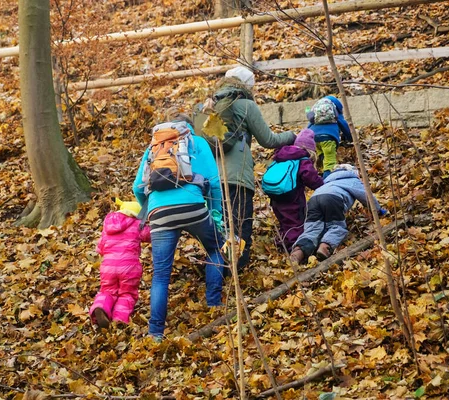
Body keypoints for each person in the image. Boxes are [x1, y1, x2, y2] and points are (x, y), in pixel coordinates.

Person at [133, 116, 225, 341]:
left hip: (159, 212)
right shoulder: (196, 142)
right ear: (189, 127)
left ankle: (155, 332)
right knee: (215, 248)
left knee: (161, 275)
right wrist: (216, 215)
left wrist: (151, 207)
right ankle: (213, 305)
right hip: (193, 206)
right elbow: (213, 183)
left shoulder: (155, 145)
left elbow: (138, 187)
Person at [206, 66, 296, 271]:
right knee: (239, 230)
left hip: (211, 179)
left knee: (218, 230)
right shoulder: (246, 106)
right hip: (237, 179)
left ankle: (216, 278)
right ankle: (236, 277)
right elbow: (268, 139)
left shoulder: (209, 105)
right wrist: (292, 136)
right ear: (247, 86)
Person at [290, 164, 388, 264]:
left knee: (313, 228)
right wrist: (378, 210)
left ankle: (298, 252)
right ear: (354, 173)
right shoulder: (352, 179)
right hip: (333, 198)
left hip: (313, 200)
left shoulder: (327, 182)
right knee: (335, 226)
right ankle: (325, 247)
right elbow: (366, 196)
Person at [89, 199, 151, 329]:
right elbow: (150, 235)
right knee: (127, 294)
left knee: (107, 291)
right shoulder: (137, 224)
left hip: (108, 267)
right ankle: (119, 320)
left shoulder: (108, 227)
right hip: (129, 267)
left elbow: (100, 249)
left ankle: (100, 307)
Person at [267, 128, 324, 250]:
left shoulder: (281, 155)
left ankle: (281, 242)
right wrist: (322, 185)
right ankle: (294, 248)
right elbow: (311, 177)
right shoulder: (302, 158)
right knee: (295, 223)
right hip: (292, 197)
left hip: (275, 195)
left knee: (283, 220)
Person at [307, 95, 353, 178]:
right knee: (330, 163)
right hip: (328, 138)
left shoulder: (317, 110)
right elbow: (344, 125)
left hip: (315, 138)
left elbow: (309, 124)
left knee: (322, 154)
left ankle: (321, 160)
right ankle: (328, 180)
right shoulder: (334, 111)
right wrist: (350, 138)